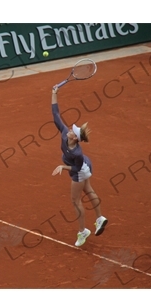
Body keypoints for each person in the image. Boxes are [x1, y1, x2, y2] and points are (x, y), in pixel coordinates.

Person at [51, 85, 108, 246]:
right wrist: (54, 94)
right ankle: (99, 218)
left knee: (75, 200)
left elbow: (76, 169)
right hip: (84, 165)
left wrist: (63, 167)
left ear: (75, 139)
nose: (69, 129)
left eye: (72, 131)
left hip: (80, 169)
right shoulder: (64, 134)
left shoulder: (76, 153)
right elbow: (56, 115)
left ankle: (83, 231)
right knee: (88, 189)